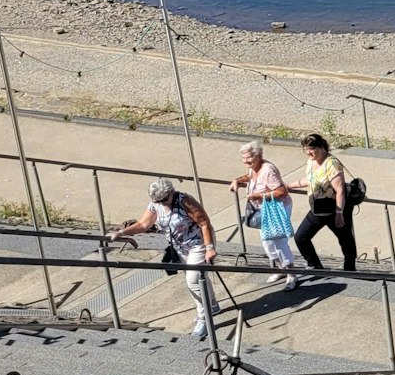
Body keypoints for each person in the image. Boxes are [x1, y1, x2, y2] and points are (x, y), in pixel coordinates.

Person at [108, 178, 222, 338]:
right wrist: (121, 233)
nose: (161, 203)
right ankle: (213, 305)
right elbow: (143, 224)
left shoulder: (185, 201)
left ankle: (204, 318)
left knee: (193, 280)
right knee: (198, 277)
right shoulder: (156, 204)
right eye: (157, 201)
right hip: (179, 247)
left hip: (198, 243)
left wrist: (209, 248)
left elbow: (204, 223)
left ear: (170, 193)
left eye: (163, 200)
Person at [228, 140, 297, 290]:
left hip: (276, 209)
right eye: (243, 158)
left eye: (249, 157)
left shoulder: (268, 170)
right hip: (262, 210)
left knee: (278, 241)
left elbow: (281, 192)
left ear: (258, 155)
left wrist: (260, 195)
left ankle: (292, 274)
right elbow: (250, 176)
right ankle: (281, 269)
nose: (246, 161)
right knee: (267, 242)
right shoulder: (254, 167)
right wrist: (237, 180)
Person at [288, 133, 357, 272]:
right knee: (301, 237)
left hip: (334, 209)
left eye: (311, 149)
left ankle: (350, 268)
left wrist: (339, 213)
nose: (308, 152)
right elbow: (310, 179)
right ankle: (314, 264)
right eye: (305, 149)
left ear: (321, 147)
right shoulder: (311, 161)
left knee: (345, 239)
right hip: (318, 209)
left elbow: (340, 190)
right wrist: (289, 185)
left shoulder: (332, 164)